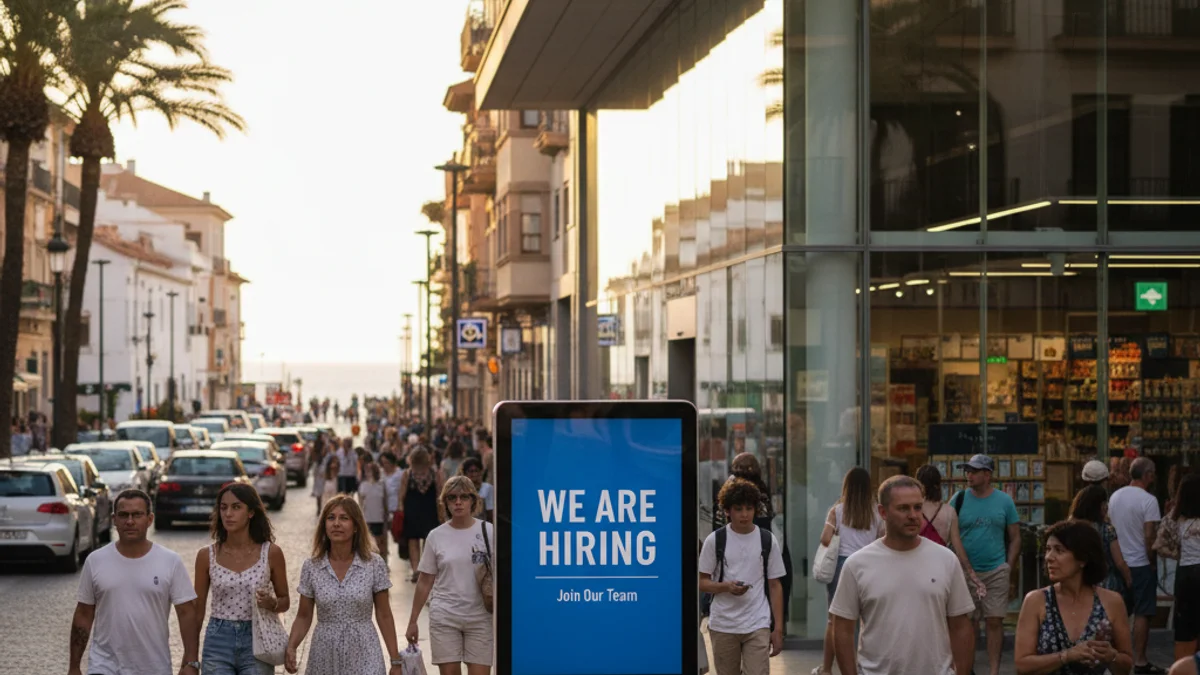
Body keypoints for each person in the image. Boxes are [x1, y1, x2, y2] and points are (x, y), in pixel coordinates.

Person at [829, 475, 975, 675]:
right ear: (883, 512)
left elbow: (960, 626)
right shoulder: (857, 564)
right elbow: (842, 629)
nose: (913, 515)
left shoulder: (946, 560)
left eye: (917, 507)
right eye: (903, 508)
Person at [69, 489, 201, 675]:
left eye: (137, 515)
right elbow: (83, 614)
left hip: (154, 667)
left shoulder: (170, 561)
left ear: (149, 519)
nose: (129, 521)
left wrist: (191, 662)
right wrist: (74, 666)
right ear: (114, 520)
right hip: (103, 666)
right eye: (123, 515)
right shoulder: (95, 560)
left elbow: (187, 613)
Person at [284, 495, 403, 675]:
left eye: (344, 518)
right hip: (325, 654)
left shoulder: (373, 564)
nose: (336, 523)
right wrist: (292, 647)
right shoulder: (312, 567)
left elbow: (384, 614)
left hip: (365, 651)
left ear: (356, 527)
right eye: (331, 518)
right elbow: (303, 615)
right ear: (324, 526)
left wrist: (395, 661)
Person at [1013, 519, 1133, 675]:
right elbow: (1022, 665)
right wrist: (1066, 656)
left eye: (1059, 550)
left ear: (1082, 559)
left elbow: (1126, 665)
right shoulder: (1036, 601)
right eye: (1048, 549)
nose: (1049, 557)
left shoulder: (1111, 602)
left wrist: (1112, 656)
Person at [194, 484, 290, 675]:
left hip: (257, 639)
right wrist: (189, 659)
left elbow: (285, 601)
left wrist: (272, 603)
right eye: (223, 507)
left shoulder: (271, 553)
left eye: (236, 507)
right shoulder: (207, 555)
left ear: (251, 513)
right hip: (218, 639)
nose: (228, 513)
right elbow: (197, 611)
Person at [405, 476, 494, 675]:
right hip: (445, 615)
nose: (458, 502)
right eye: (452, 498)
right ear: (445, 502)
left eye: (464, 497)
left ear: (473, 500)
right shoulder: (436, 536)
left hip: (480, 616)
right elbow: (425, 581)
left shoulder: (489, 532)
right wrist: (413, 621)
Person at [698, 478, 785, 675]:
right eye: (738, 509)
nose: (744, 514)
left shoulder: (767, 539)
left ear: (756, 509)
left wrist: (778, 629)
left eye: (749, 508)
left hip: (758, 622)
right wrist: (726, 587)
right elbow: (701, 581)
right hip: (723, 624)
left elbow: (775, 585)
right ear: (727, 511)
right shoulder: (716, 540)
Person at [952, 453, 1021, 675]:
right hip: (966, 571)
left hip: (995, 569)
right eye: (967, 471)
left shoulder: (1004, 501)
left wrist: (1008, 565)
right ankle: (967, 668)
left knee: (994, 622)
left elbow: (1015, 536)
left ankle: (994, 671)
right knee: (968, 623)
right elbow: (948, 530)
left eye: (973, 471)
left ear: (987, 474)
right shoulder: (959, 498)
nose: (968, 475)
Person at [813, 467, 882, 675]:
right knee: (868, 619)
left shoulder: (838, 510)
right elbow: (882, 539)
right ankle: (863, 666)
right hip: (869, 565)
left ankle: (827, 669)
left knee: (835, 620)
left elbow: (825, 539)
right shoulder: (877, 512)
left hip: (842, 567)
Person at [1109, 457, 1164, 673]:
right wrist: (1152, 561)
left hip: (1119, 562)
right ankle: (1139, 660)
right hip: (1140, 564)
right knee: (1143, 613)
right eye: (1153, 473)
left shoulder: (1115, 497)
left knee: (1118, 612)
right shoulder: (1149, 501)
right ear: (1147, 475)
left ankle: (1117, 657)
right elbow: (1149, 536)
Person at [1071, 484, 1134, 593]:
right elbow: (1119, 562)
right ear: (1096, 506)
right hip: (1106, 584)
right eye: (1104, 503)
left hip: (1079, 583)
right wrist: (1128, 578)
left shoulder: (1072, 528)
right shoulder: (1107, 529)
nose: (1107, 506)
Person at [1164, 474, 1200, 661]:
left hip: (1185, 572)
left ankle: (1184, 666)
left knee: (1185, 625)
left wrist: (1176, 553)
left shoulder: (1174, 519)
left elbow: (1160, 544)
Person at [399, 446, 442, 582]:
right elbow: (440, 494)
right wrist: (441, 511)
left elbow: (402, 494)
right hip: (429, 510)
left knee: (413, 540)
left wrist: (400, 509)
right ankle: (424, 569)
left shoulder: (408, 473)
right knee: (427, 541)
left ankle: (416, 570)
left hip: (412, 510)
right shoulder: (434, 473)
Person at [358, 460, 389, 567]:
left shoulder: (381, 485)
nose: (368, 473)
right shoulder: (363, 485)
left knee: (381, 542)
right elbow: (360, 503)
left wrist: (386, 517)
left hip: (379, 517)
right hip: (367, 518)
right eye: (367, 471)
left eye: (370, 471)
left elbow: (385, 502)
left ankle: (382, 562)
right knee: (368, 542)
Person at [460, 457, 493, 523]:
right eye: (471, 471)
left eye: (476, 471)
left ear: (481, 472)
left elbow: (490, 513)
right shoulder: (460, 489)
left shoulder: (487, 488)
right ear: (465, 473)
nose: (474, 474)